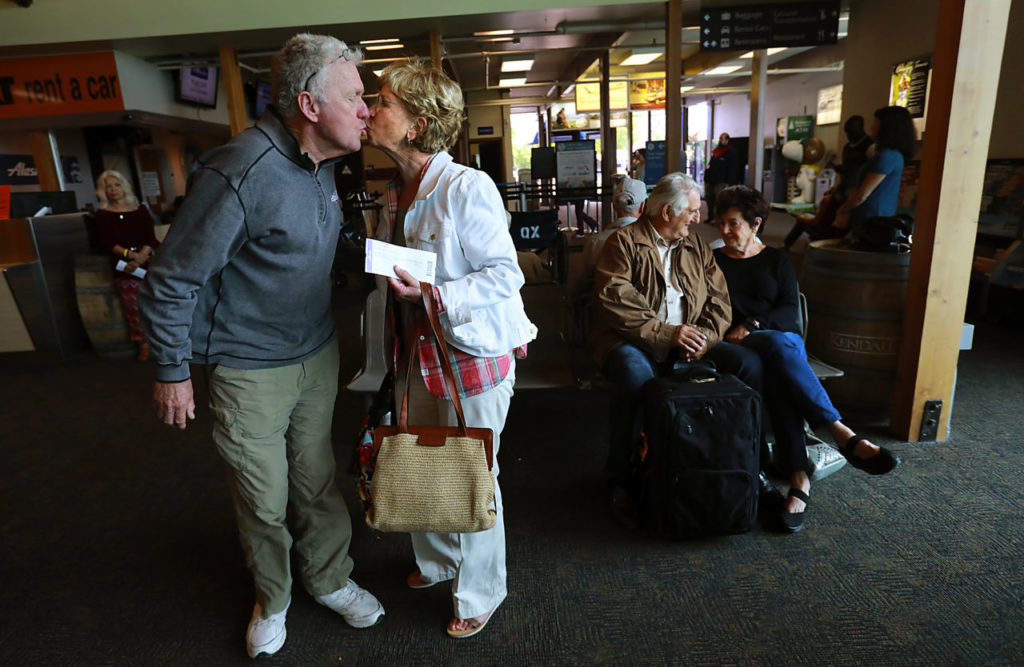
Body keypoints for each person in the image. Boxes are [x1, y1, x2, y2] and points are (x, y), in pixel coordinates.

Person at [138, 34, 383, 658]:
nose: (366, 108)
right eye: (354, 96)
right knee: (264, 497)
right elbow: (170, 278)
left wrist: (398, 264)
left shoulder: (323, 164)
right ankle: (273, 599)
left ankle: (328, 579)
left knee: (318, 481)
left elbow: (328, 245)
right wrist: (171, 370)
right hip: (250, 369)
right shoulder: (239, 171)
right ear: (308, 104)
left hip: (316, 352)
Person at [364, 59, 537, 639]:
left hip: (470, 352)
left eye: (383, 100)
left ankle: (483, 589)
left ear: (416, 124)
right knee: (423, 454)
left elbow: (504, 274)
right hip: (415, 350)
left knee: (471, 474)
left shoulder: (466, 186)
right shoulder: (395, 190)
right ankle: (437, 562)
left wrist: (435, 294)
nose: (370, 106)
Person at [712, 185, 901, 533]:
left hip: (774, 343)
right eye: (720, 223)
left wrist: (753, 324)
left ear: (755, 224)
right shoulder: (714, 262)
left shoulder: (777, 260)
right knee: (780, 352)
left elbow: (788, 313)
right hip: (741, 347)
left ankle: (802, 475)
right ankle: (836, 435)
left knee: (779, 358)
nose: (723, 231)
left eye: (733, 223)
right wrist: (743, 330)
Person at [588, 172, 763, 527]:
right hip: (631, 340)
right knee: (635, 377)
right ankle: (622, 476)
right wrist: (668, 335)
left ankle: (744, 461)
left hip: (692, 341)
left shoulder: (696, 246)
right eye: (693, 212)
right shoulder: (623, 243)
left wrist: (702, 338)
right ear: (667, 211)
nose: (699, 219)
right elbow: (615, 301)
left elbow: (719, 301)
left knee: (748, 365)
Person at [91, 170, 159, 361]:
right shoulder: (103, 215)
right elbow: (107, 243)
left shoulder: (141, 209)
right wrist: (131, 256)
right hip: (124, 265)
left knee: (159, 302)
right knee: (134, 307)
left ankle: (166, 342)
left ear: (124, 186)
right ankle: (143, 344)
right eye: (108, 187)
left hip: (150, 260)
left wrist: (143, 255)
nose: (113, 190)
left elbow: (150, 237)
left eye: (116, 185)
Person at [834, 106, 916, 232]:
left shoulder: (888, 156)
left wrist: (842, 211)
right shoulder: (892, 155)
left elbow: (862, 194)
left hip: (873, 222)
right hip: (873, 219)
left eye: (876, 123)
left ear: (887, 128)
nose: (872, 127)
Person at [581, 176, 648, 276]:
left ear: (614, 206)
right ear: (642, 206)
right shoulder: (651, 240)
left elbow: (586, 276)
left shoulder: (595, 242)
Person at [838, 115, 873, 183]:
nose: (848, 136)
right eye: (847, 133)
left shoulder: (869, 145)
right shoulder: (847, 147)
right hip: (847, 185)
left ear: (860, 130)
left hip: (861, 185)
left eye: (851, 133)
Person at [705, 132, 739, 201]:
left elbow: (733, 168)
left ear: (727, 140)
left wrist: (729, 182)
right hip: (711, 181)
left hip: (721, 182)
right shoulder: (717, 151)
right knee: (709, 199)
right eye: (720, 139)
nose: (720, 141)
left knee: (720, 200)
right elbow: (711, 164)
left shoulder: (731, 151)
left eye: (722, 139)